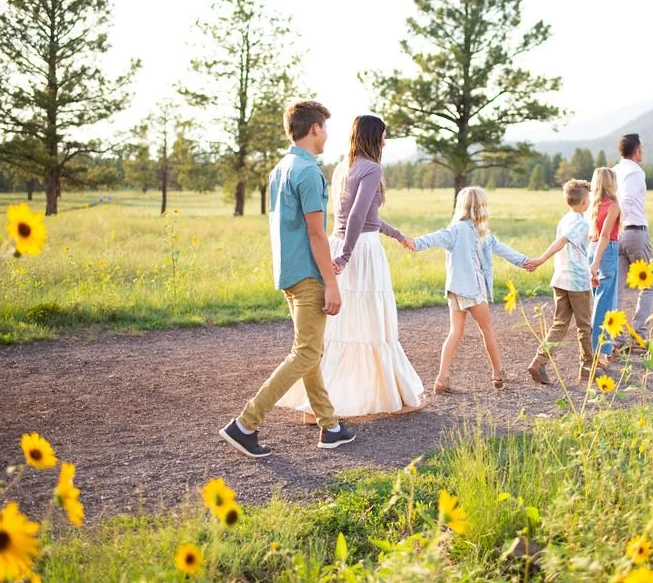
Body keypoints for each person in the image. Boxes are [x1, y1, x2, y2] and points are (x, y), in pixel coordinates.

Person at [220, 100, 355, 457]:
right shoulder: (310, 173)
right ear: (314, 129)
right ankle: (245, 423)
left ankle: (331, 427)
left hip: (288, 274)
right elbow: (316, 234)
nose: (327, 134)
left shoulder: (280, 169)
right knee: (307, 351)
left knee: (309, 351)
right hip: (309, 276)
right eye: (324, 128)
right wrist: (332, 282)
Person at [276, 115, 424, 418]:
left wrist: (398, 236)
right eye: (383, 135)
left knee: (341, 327)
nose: (385, 141)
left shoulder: (343, 168)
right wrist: (345, 256)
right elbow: (358, 217)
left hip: (341, 243)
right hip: (362, 251)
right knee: (370, 324)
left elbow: (364, 216)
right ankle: (372, 398)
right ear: (373, 137)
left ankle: (321, 402)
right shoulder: (372, 169)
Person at [412, 186, 534, 392]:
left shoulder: (457, 230)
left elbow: (433, 238)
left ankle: (442, 379)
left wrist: (414, 243)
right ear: (481, 208)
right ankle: (497, 373)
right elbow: (506, 251)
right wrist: (526, 262)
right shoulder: (478, 232)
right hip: (473, 289)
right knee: (487, 330)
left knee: (455, 332)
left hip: (455, 289)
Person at [525, 179, 601, 384]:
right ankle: (587, 367)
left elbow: (577, 252)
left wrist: (590, 272)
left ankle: (538, 362)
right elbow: (562, 242)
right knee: (584, 326)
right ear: (585, 201)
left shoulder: (565, 218)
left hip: (561, 278)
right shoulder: (580, 222)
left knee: (560, 324)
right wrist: (541, 259)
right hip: (576, 282)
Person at [613, 133, 653, 341]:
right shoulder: (636, 172)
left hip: (614, 236)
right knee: (648, 285)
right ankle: (639, 334)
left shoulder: (613, 171)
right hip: (634, 232)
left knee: (617, 289)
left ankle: (617, 338)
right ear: (637, 151)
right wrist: (622, 223)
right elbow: (627, 201)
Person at [587, 168, 622, 360]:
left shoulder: (594, 206)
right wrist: (596, 264)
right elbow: (606, 236)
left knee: (601, 301)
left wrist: (592, 261)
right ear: (611, 183)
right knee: (605, 304)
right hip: (605, 252)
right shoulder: (613, 205)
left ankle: (607, 349)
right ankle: (599, 352)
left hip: (591, 249)